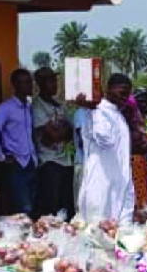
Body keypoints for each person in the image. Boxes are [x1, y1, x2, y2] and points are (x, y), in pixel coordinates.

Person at [76, 73, 134, 224]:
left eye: (127, 95)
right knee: (98, 230)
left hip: (119, 182)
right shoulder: (98, 111)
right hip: (101, 182)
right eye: (122, 93)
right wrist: (95, 110)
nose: (125, 98)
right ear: (109, 89)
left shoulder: (116, 114)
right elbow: (105, 139)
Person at [0, 68, 37, 216]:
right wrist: (1, 156)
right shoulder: (6, 107)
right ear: (15, 84)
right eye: (26, 82)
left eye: (30, 81)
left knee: (32, 205)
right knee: (22, 208)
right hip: (16, 164)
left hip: (31, 161)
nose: (30, 85)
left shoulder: (29, 107)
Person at [32, 66, 75, 217]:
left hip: (65, 161)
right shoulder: (37, 106)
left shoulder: (59, 104)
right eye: (50, 81)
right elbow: (53, 136)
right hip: (49, 162)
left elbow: (72, 130)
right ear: (40, 84)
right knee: (52, 208)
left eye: (55, 80)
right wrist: (62, 131)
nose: (55, 84)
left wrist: (60, 132)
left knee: (67, 207)